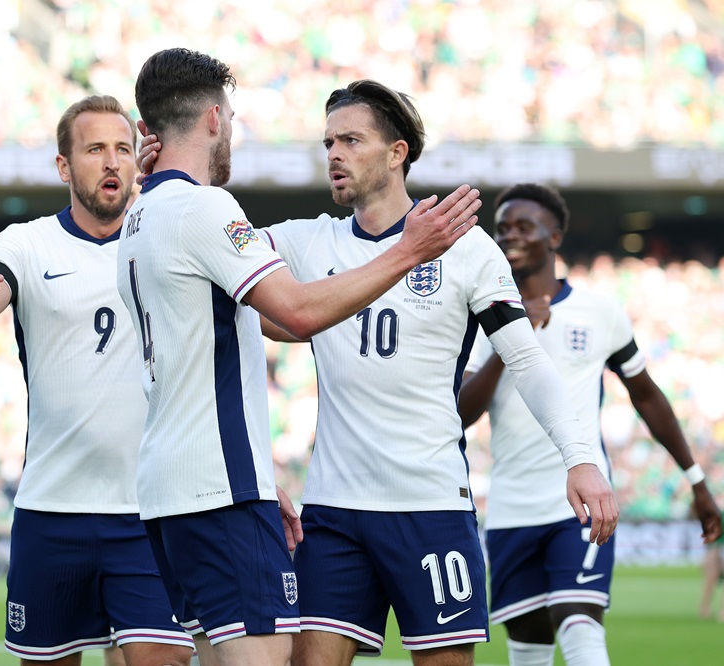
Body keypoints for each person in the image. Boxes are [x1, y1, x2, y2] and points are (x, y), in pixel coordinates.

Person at [135, 78, 618, 666]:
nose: (335, 154)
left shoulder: (464, 248)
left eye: (351, 140)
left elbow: (527, 360)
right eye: (329, 142)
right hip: (335, 510)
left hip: (430, 504)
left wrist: (581, 458)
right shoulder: (306, 242)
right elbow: (196, 250)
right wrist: (163, 187)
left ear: (397, 154)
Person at [119, 48, 484, 666]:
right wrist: (408, 251)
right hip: (220, 492)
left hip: (173, 490)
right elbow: (299, 314)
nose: (231, 129)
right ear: (212, 118)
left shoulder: (140, 215)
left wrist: (262, 479)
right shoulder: (206, 209)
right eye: (230, 117)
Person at [0, 94, 195, 665]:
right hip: (52, 511)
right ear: (64, 166)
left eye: (122, 149)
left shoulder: (168, 239)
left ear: (139, 160)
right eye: (94, 149)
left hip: (148, 512)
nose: (111, 162)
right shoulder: (26, 243)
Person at [458, 183, 722, 666]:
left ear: (554, 236)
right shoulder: (480, 317)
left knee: (579, 625)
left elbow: (647, 395)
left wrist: (696, 479)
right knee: (528, 649)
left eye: (524, 226)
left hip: (580, 502)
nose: (510, 236)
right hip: (512, 508)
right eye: (503, 229)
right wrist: (509, 339)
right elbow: (461, 412)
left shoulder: (599, 312)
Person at [699, 518, 724, 621]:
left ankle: (718, 611)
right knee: (711, 579)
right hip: (717, 549)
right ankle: (705, 608)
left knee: (710, 580)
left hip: (716, 549)